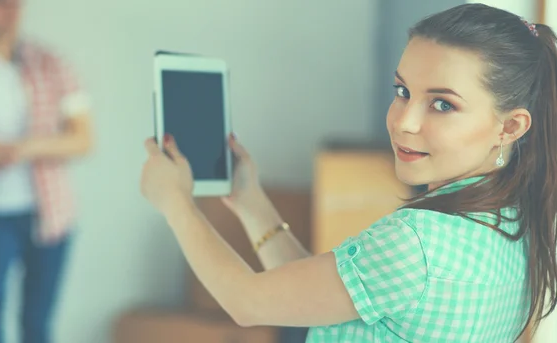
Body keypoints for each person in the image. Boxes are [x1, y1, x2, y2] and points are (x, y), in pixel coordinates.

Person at [140, 3, 557, 343]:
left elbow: (247, 303)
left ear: (510, 127)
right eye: (402, 92)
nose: (403, 121)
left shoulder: (415, 244)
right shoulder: (515, 224)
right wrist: (252, 204)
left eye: (442, 104)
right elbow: (321, 296)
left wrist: (176, 203)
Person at [0, 0, 93, 342]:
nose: (12, 10)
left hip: (49, 213)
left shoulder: (51, 63)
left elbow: (83, 138)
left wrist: (24, 149)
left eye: (16, 3)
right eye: (1, 3)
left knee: (37, 325)